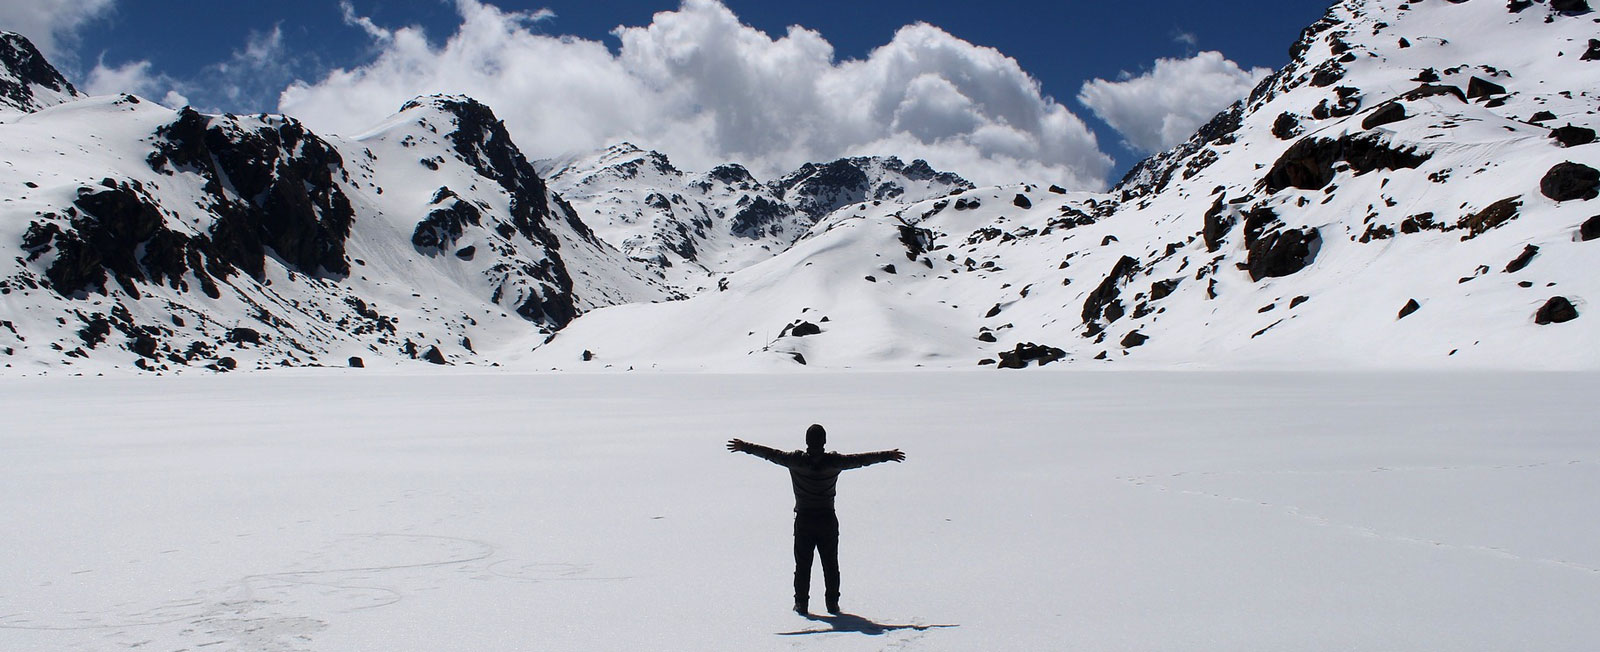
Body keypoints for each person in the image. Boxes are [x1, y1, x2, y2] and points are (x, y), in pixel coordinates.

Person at [727, 424, 905, 615]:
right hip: (827, 519)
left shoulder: (794, 460)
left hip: (804, 520)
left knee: (803, 565)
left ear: (807, 441)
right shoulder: (833, 462)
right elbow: (861, 460)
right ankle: (832, 604)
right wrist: (887, 455)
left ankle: (801, 604)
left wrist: (744, 446)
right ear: (824, 442)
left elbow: (770, 454)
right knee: (830, 564)